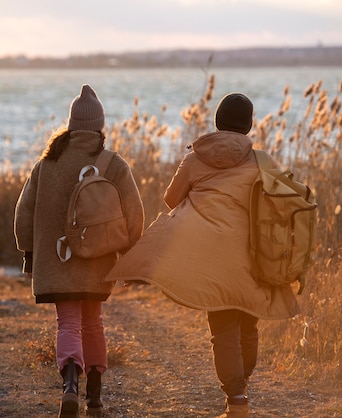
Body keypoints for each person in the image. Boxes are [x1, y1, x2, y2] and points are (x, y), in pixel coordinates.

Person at [106, 93, 300, 417]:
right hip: (254, 258)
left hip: (210, 260)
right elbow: (283, 206)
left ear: (217, 121)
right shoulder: (263, 161)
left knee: (222, 329)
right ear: (249, 125)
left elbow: (170, 200)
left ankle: (236, 400)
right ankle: (242, 389)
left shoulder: (196, 158)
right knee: (248, 325)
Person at [14, 84, 145, 418]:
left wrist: (28, 252)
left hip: (56, 260)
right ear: (99, 126)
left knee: (68, 322)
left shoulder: (47, 164)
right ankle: (95, 398)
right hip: (99, 261)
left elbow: (23, 211)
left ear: (71, 124)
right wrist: (129, 254)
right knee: (93, 323)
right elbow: (135, 213)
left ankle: (70, 385)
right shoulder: (114, 164)